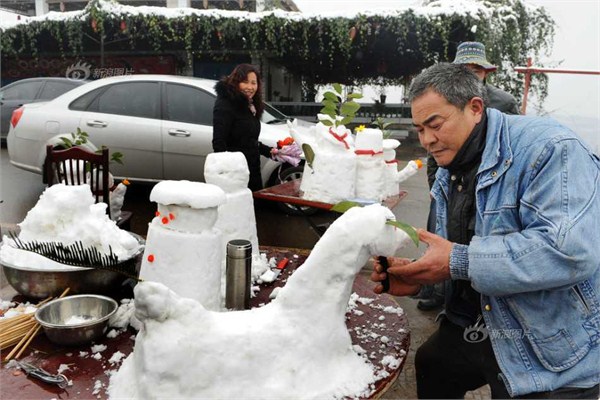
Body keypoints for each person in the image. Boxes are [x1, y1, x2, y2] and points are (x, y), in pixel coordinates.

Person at [372, 63, 600, 399]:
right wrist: (423, 277)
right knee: (433, 364)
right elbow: (457, 249)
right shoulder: (453, 162)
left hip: (548, 343)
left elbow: (568, 252)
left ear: (475, 108)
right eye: (419, 129)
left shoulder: (551, 148)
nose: (427, 141)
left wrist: (458, 262)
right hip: (477, 321)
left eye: (435, 125)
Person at [418, 41, 521, 311]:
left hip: (485, 178)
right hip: (448, 180)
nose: (472, 72)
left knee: (475, 237)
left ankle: (474, 299)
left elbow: (511, 143)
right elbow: (434, 148)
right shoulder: (440, 99)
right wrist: (434, 185)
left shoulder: (504, 102)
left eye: (477, 68)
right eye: (465, 68)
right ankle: (434, 289)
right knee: (435, 232)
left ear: (486, 71)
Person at [213, 64, 276, 191]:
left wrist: (270, 151)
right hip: (236, 174)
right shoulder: (225, 105)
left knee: (254, 207)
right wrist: (229, 174)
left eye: (254, 83)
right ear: (236, 82)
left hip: (252, 170)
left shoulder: (250, 106)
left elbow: (247, 140)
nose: (250, 87)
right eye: (245, 82)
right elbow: (219, 143)